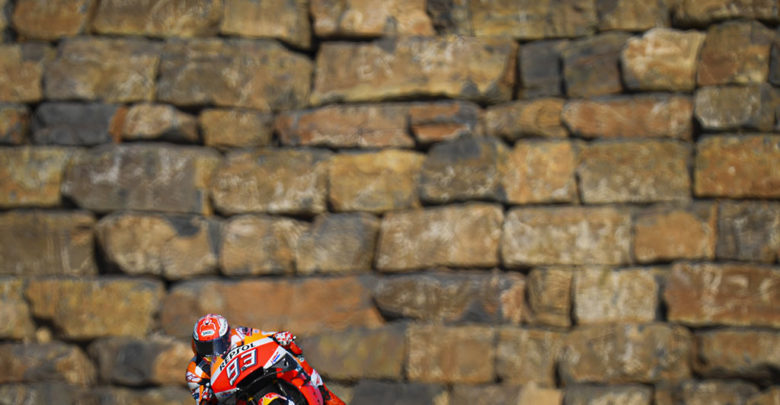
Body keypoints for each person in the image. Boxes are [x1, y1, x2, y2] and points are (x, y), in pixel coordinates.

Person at [186, 314, 345, 405]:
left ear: (227, 336)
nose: (212, 351)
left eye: (217, 344)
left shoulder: (240, 333)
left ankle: (321, 392)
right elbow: (203, 401)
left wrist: (279, 337)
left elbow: (263, 336)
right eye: (206, 347)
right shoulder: (195, 371)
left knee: (295, 356)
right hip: (234, 396)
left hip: (257, 370)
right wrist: (208, 396)